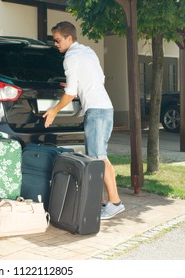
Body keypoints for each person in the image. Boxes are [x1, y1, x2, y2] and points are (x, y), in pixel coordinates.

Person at [43, 21, 125, 220]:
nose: (56, 44)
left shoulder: (70, 57)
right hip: (106, 108)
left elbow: (70, 94)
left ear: (69, 38)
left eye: (58, 40)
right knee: (101, 157)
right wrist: (76, 85)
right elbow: (98, 79)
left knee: (98, 159)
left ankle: (114, 203)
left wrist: (54, 110)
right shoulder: (88, 51)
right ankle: (110, 202)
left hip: (96, 112)